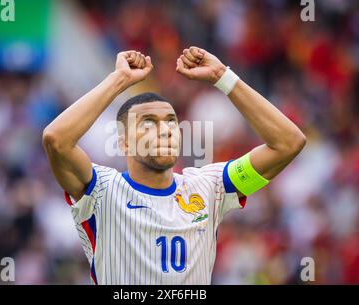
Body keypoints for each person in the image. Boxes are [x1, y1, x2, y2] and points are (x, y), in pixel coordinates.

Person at [42, 47, 306, 284]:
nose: (164, 130)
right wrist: (118, 80)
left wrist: (222, 77)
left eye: (170, 122)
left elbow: (288, 143)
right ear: (123, 144)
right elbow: (56, 140)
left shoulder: (209, 187)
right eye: (148, 123)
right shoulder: (101, 190)